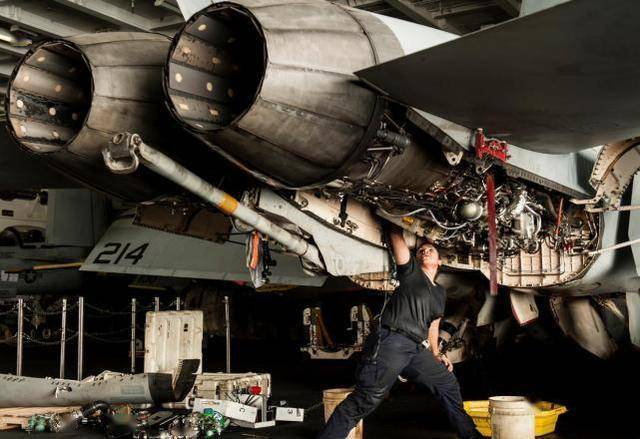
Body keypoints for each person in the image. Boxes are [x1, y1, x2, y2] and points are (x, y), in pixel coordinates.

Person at [317, 224, 480, 439]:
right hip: (391, 341)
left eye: (431, 250)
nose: (425, 251)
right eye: (421, 250)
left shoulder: (440, 292)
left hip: (415, 348)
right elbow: (396, 237)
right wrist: (398, 223)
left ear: (440, 261)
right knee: (365, 399)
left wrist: (436, 353)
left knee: (447, 382)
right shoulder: (411, 272)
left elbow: (433, 324)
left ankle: (470, 435)